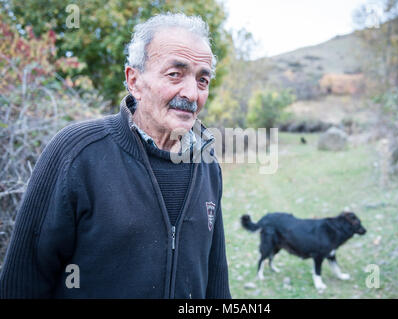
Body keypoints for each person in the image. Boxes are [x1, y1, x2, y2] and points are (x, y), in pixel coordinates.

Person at [0, 12, 231, 299]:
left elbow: (216, 281)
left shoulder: (206, 162)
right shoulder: (76, 152)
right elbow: (22, 282)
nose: (191, 93)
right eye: (175, 74)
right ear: (134, 81)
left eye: (202, 80)